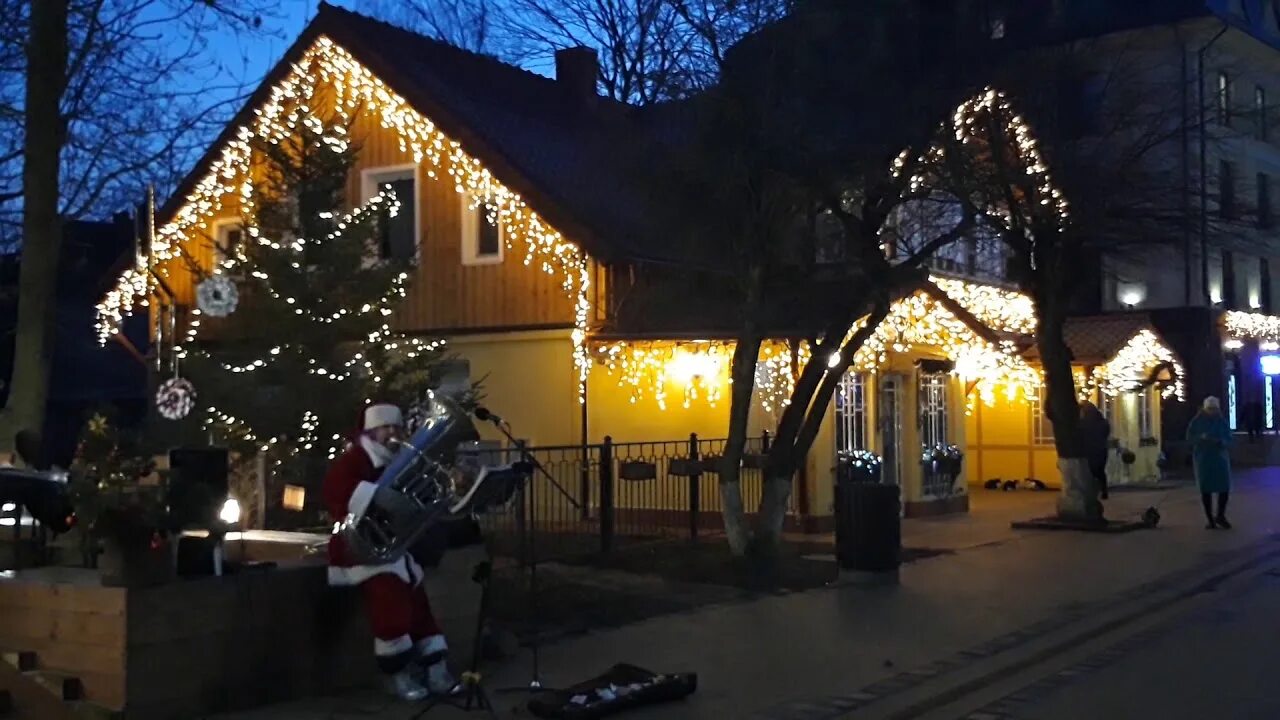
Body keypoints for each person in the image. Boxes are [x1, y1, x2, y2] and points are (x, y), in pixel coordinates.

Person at [322, 402, 457, 701]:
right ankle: (396, 673)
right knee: (390, 606)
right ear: (370, 431)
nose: (392, 434)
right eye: (385, 428)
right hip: (362, 549)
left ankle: (435, 666)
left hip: (396, 547)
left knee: (420, 606)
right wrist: (375, 496)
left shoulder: (404, 459)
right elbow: (335, 490)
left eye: (396, 427)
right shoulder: (355, 459)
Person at [1186, 396, 1233, 530]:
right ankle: (1210, 519)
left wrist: (1222, 442)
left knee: (1224, 487)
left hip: (1219, 458)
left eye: (1214, 409)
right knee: (1206, 489)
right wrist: (1201, 438)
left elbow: (1229, 438)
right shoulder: (1197, 422)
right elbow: (1189, 437)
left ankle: (1220, 515)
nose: (1212, 412)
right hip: (1204, 459)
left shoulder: (1221, 421)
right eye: (1210, 409)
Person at [1079, 401, 1111, 500]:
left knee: (1090, 471)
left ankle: (1092, 492)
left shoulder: (1084, 422)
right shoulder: (1102, 421)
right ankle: (1104, 491)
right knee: (1100, 471)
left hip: (1090, 450)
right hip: (1101, 449)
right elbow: (1106, 433)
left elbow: (1081, 435)